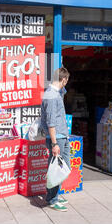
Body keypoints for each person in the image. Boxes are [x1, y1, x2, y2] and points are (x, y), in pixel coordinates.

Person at [41, 67, 71, 212]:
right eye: (66, 80)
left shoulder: (55, 93)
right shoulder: (51, 96)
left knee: (64, 168)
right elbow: (51, 122)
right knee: (57, 170)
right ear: (64, 80)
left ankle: (53, 195)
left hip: (61, 136)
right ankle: (52, 199)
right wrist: (54, 143)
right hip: (57, 138)